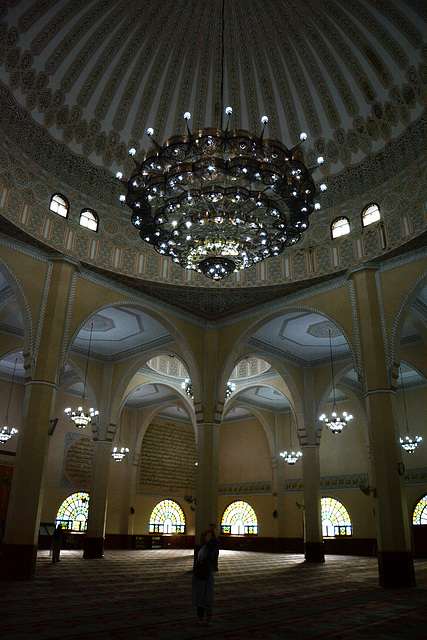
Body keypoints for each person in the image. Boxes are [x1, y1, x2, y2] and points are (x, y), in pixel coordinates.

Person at [191, 523, 219, 626]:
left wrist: (211, 529)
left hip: (200, 576)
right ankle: (208, 620)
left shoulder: (205, 549)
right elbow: (214, 541)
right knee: (208, 596)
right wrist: (212, 531)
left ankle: (201, 618)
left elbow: (202, 535)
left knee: (200, 596)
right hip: (208, 576)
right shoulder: (214, 551)